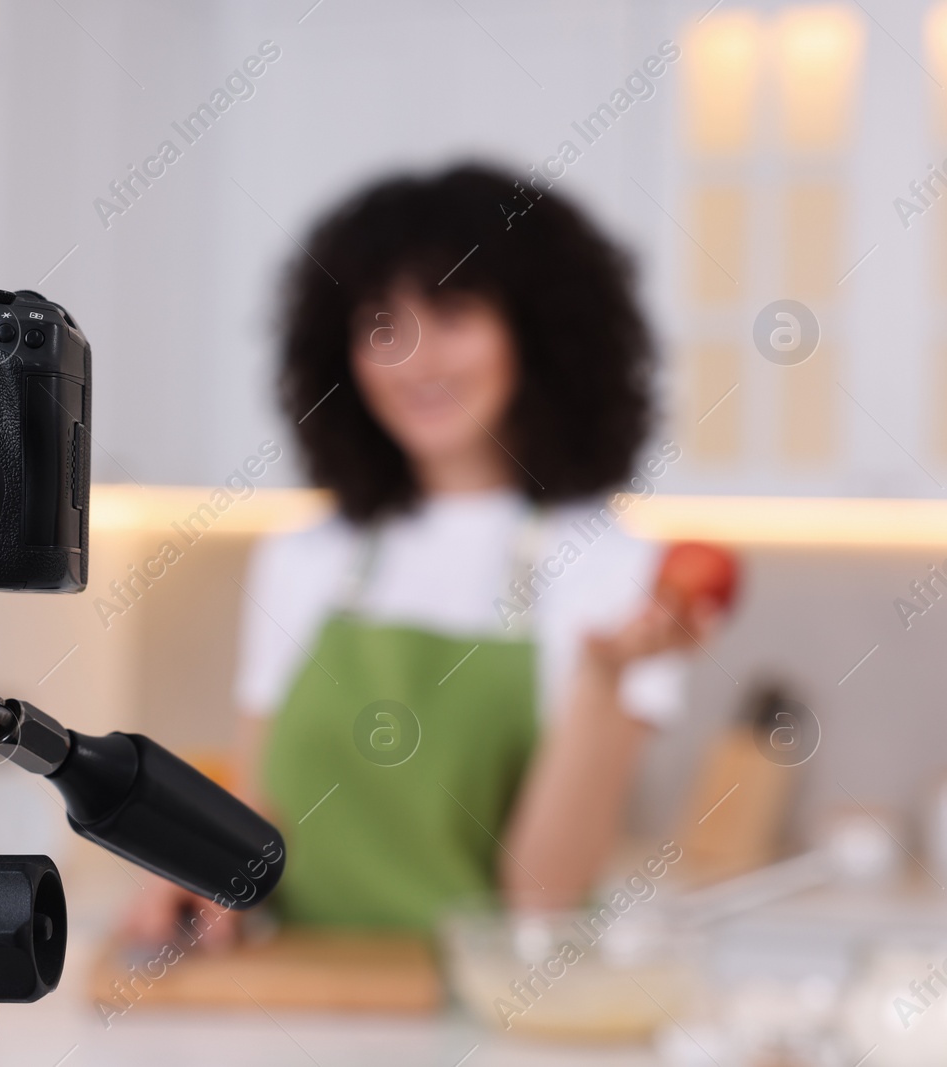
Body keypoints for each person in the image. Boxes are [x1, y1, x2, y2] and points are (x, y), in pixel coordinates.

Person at [128, 163, 718, 943]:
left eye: (452, 314)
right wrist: (196, 883)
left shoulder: (617, 570)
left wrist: (606, 676)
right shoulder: (305, 554)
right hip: (301, 998)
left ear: (537, 332)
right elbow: (260, 819)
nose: (416, 360)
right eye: (381, 324)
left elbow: (543, 901)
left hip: (480, 1015)